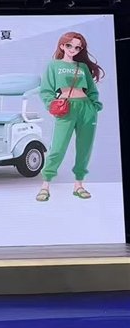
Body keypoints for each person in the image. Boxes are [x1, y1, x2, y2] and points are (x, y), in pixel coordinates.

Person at [36, 31, 105, 202]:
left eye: (77, 47)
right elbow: (46, 90)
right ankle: (45, 185)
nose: (73, 49)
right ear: (62, 45)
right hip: (66, 108)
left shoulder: (82, 67)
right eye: (69, 45)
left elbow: (92, 89)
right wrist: (51, 105)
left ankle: (78, 185)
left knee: (84, 148)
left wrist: (94, 106)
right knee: (58, 147)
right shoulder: (54, 65)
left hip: (86, 108)